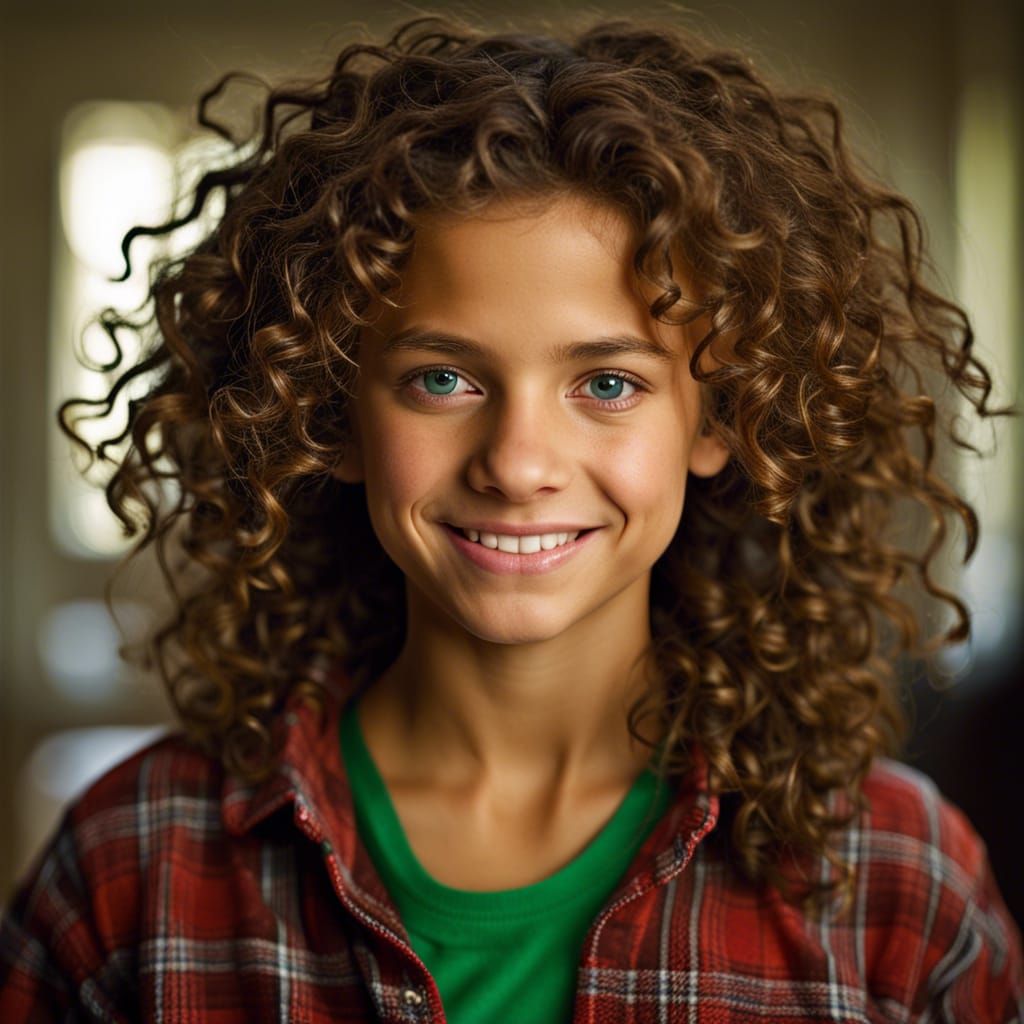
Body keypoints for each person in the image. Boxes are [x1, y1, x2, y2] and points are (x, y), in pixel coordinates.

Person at [2, 10, 1022, 1022]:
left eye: (608, 384)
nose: (519, 462)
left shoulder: (901, 887)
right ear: (333, 415)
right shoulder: (130, 871)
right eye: (441, 378)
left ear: (718, 414)